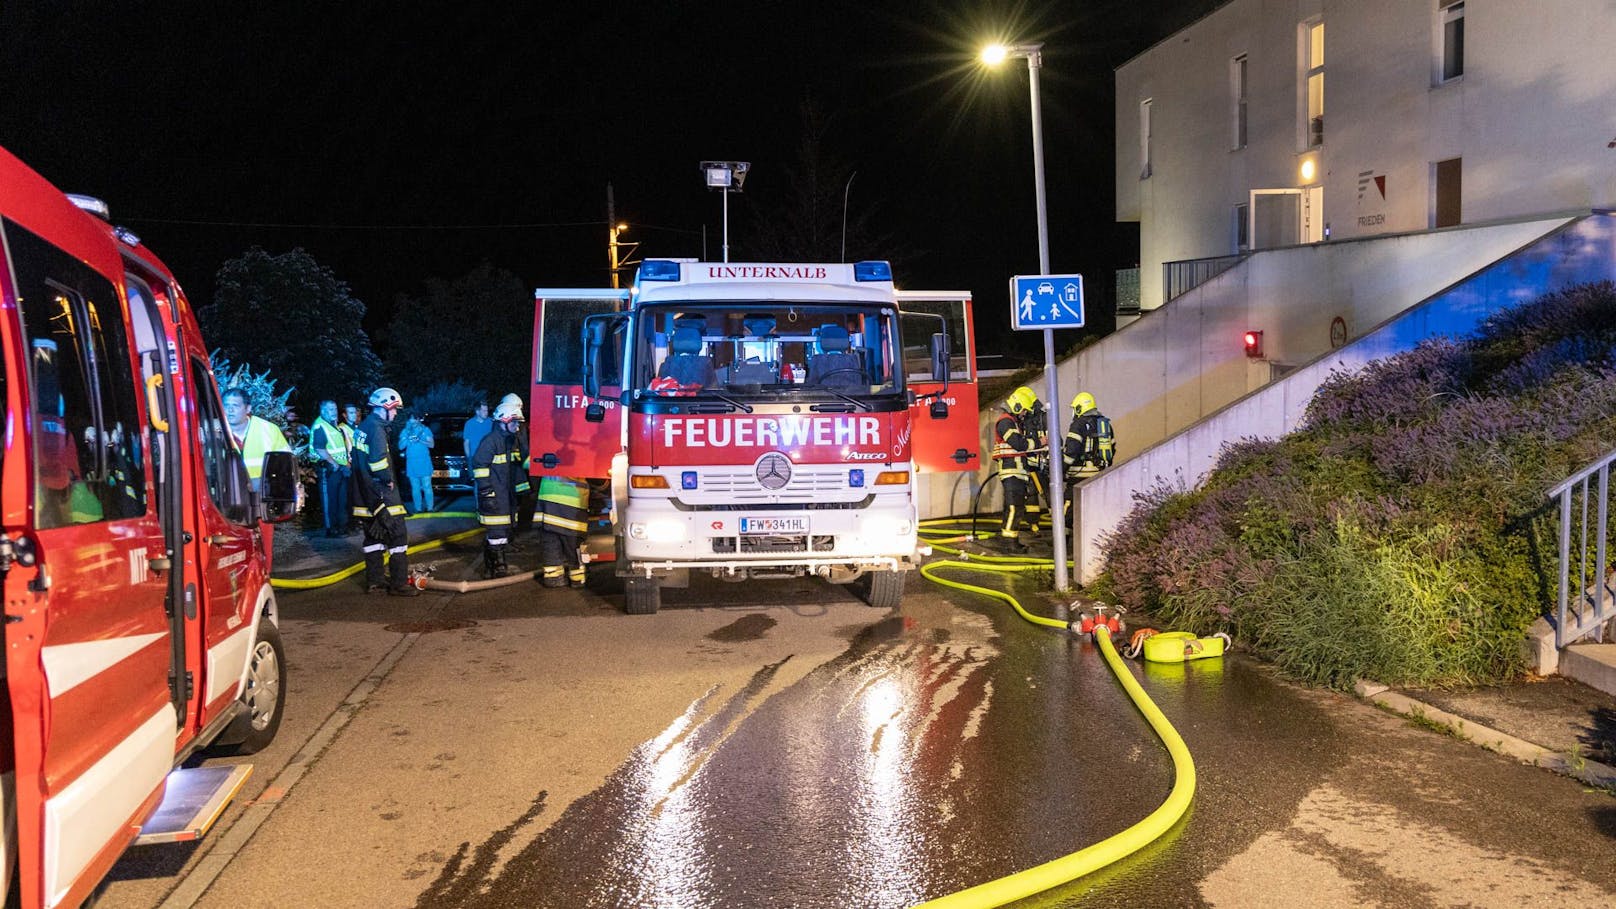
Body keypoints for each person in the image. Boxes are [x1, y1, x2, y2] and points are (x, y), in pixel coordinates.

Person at [351, 387, 419, 596]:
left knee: (373, 539)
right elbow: (378, 462)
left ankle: (375, 582)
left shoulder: (363, 427)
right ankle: (399, 584)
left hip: (365, 496)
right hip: (382, 494)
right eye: (394, 409)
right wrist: (388, 479)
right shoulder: (377, 429)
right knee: (397, 537)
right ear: (384, 408)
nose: (396, 413)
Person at [472, 397, 525, 578]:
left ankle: (491, 566)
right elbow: (479, 466)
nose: (517, 427)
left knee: (502, 530)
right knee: (496, 532)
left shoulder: (508, 441)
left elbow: (513, 469)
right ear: (504, 420)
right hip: (494, 495)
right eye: (515, 423)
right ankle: (499, 565)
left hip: (504, 494)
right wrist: (487, 492)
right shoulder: (491, 441)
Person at [991, 386, 1041, 551]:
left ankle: (1011, 540)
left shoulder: (1013, 422)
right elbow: (1019, 444)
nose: (1024, 414)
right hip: (1011, 471)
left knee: (1016, 507)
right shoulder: (1006, 422)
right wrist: (1042, 443)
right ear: (1017, 406)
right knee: (1014, 507)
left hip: (1016, 471)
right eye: (1023, 410)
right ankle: (1010, 544)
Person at [222, 387, 291, 494]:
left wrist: (265, 482)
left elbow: (286, 464)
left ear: (248, 408)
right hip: (225, 496)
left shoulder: (269, 430)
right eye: (226, 406)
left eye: (235, 406)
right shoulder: (212, 430)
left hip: (262, 495)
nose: (230, 410)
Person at [537, 473, 589, 588]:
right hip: (572, 502)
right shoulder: (582, 455)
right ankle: (577, 579)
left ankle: (553, 578)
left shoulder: (546, 454)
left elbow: (530, 463)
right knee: (574, 545)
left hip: (547, 500)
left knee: (551, 543)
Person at [309, 400, 351, 537]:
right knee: (330, 500)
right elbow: (319, 448)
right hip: (328, 468)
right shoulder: (320, 426)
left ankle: (342, 527)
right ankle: (331, 529)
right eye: (330, 409)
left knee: (341, 499)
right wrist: (333, 463)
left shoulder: (333, 425)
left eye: (335, 409)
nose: (334, 412)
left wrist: (345, 463)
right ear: (323, 411)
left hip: (339, 468)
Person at [400, 413, 436, 513]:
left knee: (427, 486)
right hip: (412, 463)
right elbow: (400, 447)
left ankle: (430, 508)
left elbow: (432, 445)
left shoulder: (425, 430)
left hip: (424, 462)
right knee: (415, 488)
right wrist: (407, 440)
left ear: (418, 419)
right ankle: (418, 509)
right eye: (411, 420)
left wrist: (420, 440)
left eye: (415, 419)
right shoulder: (405, 431)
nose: (413, 422)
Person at [340, 403, 362, 533]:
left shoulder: (356, 428)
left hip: (358, 465)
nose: (355, 415)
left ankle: (357, 521)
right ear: (344, 415)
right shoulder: (342, 429)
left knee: (357, 495)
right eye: (351, 413)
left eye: (355, 412)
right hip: (349, 466)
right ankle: (350, 523)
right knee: (349, 497)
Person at [462, 401, 493, 466]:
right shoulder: (469, 424)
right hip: (475, 458)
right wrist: (469, 458)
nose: (486, 413)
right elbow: (466, 442)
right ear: (477, 412)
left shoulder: (491, 422)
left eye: (487, 410)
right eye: (484, 411)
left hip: (489, 458)